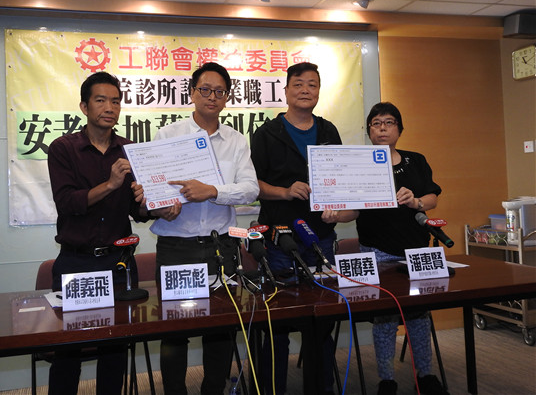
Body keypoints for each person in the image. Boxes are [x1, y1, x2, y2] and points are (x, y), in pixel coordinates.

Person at [149, 62, 259, 395]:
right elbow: (154, 186)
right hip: (176, 247)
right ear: (192, 93)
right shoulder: (168, 136)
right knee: (174, 331)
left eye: (219, 91)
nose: (212, 97)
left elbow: (250, 189)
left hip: (220, 247)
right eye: (205, 90)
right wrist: (161, 204)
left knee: (221, 328)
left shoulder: (236, 141)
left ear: (227, 97)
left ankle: (213, 390)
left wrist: (212, 191)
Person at [250, 62, 356, 395]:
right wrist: (285, 191)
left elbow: (339, 178)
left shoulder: (328, 131)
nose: (305, 90)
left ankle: (321, 387)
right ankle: (273, 389)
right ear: (285, 91)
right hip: (279, 243)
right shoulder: (267, 133)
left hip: (321, 239)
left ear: (319, 91)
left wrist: (338, 208)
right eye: (298, 84)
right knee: (278, 323)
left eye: (312, 84)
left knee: (322, 319)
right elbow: (252, 184)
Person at [47, 71, 151, 395]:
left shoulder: (130, 150)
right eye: (101, 100)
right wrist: (110, 184)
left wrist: (151, 203)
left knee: (115, 350)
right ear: (84, 106)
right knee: (68, 351)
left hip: (119, 264)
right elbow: (67, 203)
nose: (110, 107)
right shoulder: (64, 148)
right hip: (77, 263)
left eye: (116, 101)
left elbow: (137, 212)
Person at [351, 101, 449, 395]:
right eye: (376, 123)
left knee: (419, 317)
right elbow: (352, 209)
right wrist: (332, 213)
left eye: (389, 122)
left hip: (417, 250)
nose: (382, 128)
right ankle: (387, 379)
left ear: (399, 128)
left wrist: (416, 201)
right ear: (369, 130)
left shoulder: (416, 160)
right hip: (377, 250)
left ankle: (426, 375)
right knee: (384, 320)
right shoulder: (358, 164)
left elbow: (432, 198)